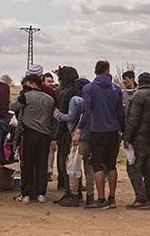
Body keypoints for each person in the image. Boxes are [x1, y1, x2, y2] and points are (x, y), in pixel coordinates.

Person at [76, 60, 124, 209]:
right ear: (108, 70)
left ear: (95, 71)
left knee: (97, 165)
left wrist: (79, 128)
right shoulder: (116, 89)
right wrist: (124, 130)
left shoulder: (89, 88)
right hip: (113, 131)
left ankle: (101, 199)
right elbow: (120, 113)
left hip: (96, 130)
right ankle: (112, 198)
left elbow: (86, 110)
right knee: (111, 165)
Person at [10, 74, 57, 204]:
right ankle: (41, 194)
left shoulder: (26, 96)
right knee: (42, 164)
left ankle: (26, 194)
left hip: (30, 134)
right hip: (45, 134)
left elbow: (12, 106)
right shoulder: (49, 99)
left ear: (32, 83)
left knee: (28, 164)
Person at [54, 78, 93, 207]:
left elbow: (71, 116)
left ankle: (74, 195)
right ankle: (90, 197)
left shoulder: (75, 100)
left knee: (72, 166)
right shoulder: (92, 100)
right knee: (89, 168)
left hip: (77, 137)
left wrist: (58, 115)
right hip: (91, 136)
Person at [125, 72, 150, 210]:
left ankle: (141, 198)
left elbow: (133, 119)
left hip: (139, 138)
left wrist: (127, 138)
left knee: (133, 168)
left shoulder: (138, 96)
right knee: (148, 169)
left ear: (140, 82)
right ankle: (149, 198)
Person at [54, 66, 80, 203]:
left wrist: (55, 137)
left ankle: (69, 192)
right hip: (79, 132)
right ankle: (78, 191)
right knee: (76, 163)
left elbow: (60, 115)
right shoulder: (79, 91)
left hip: (65, 134)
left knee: (65, 163)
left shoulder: (64, 93)